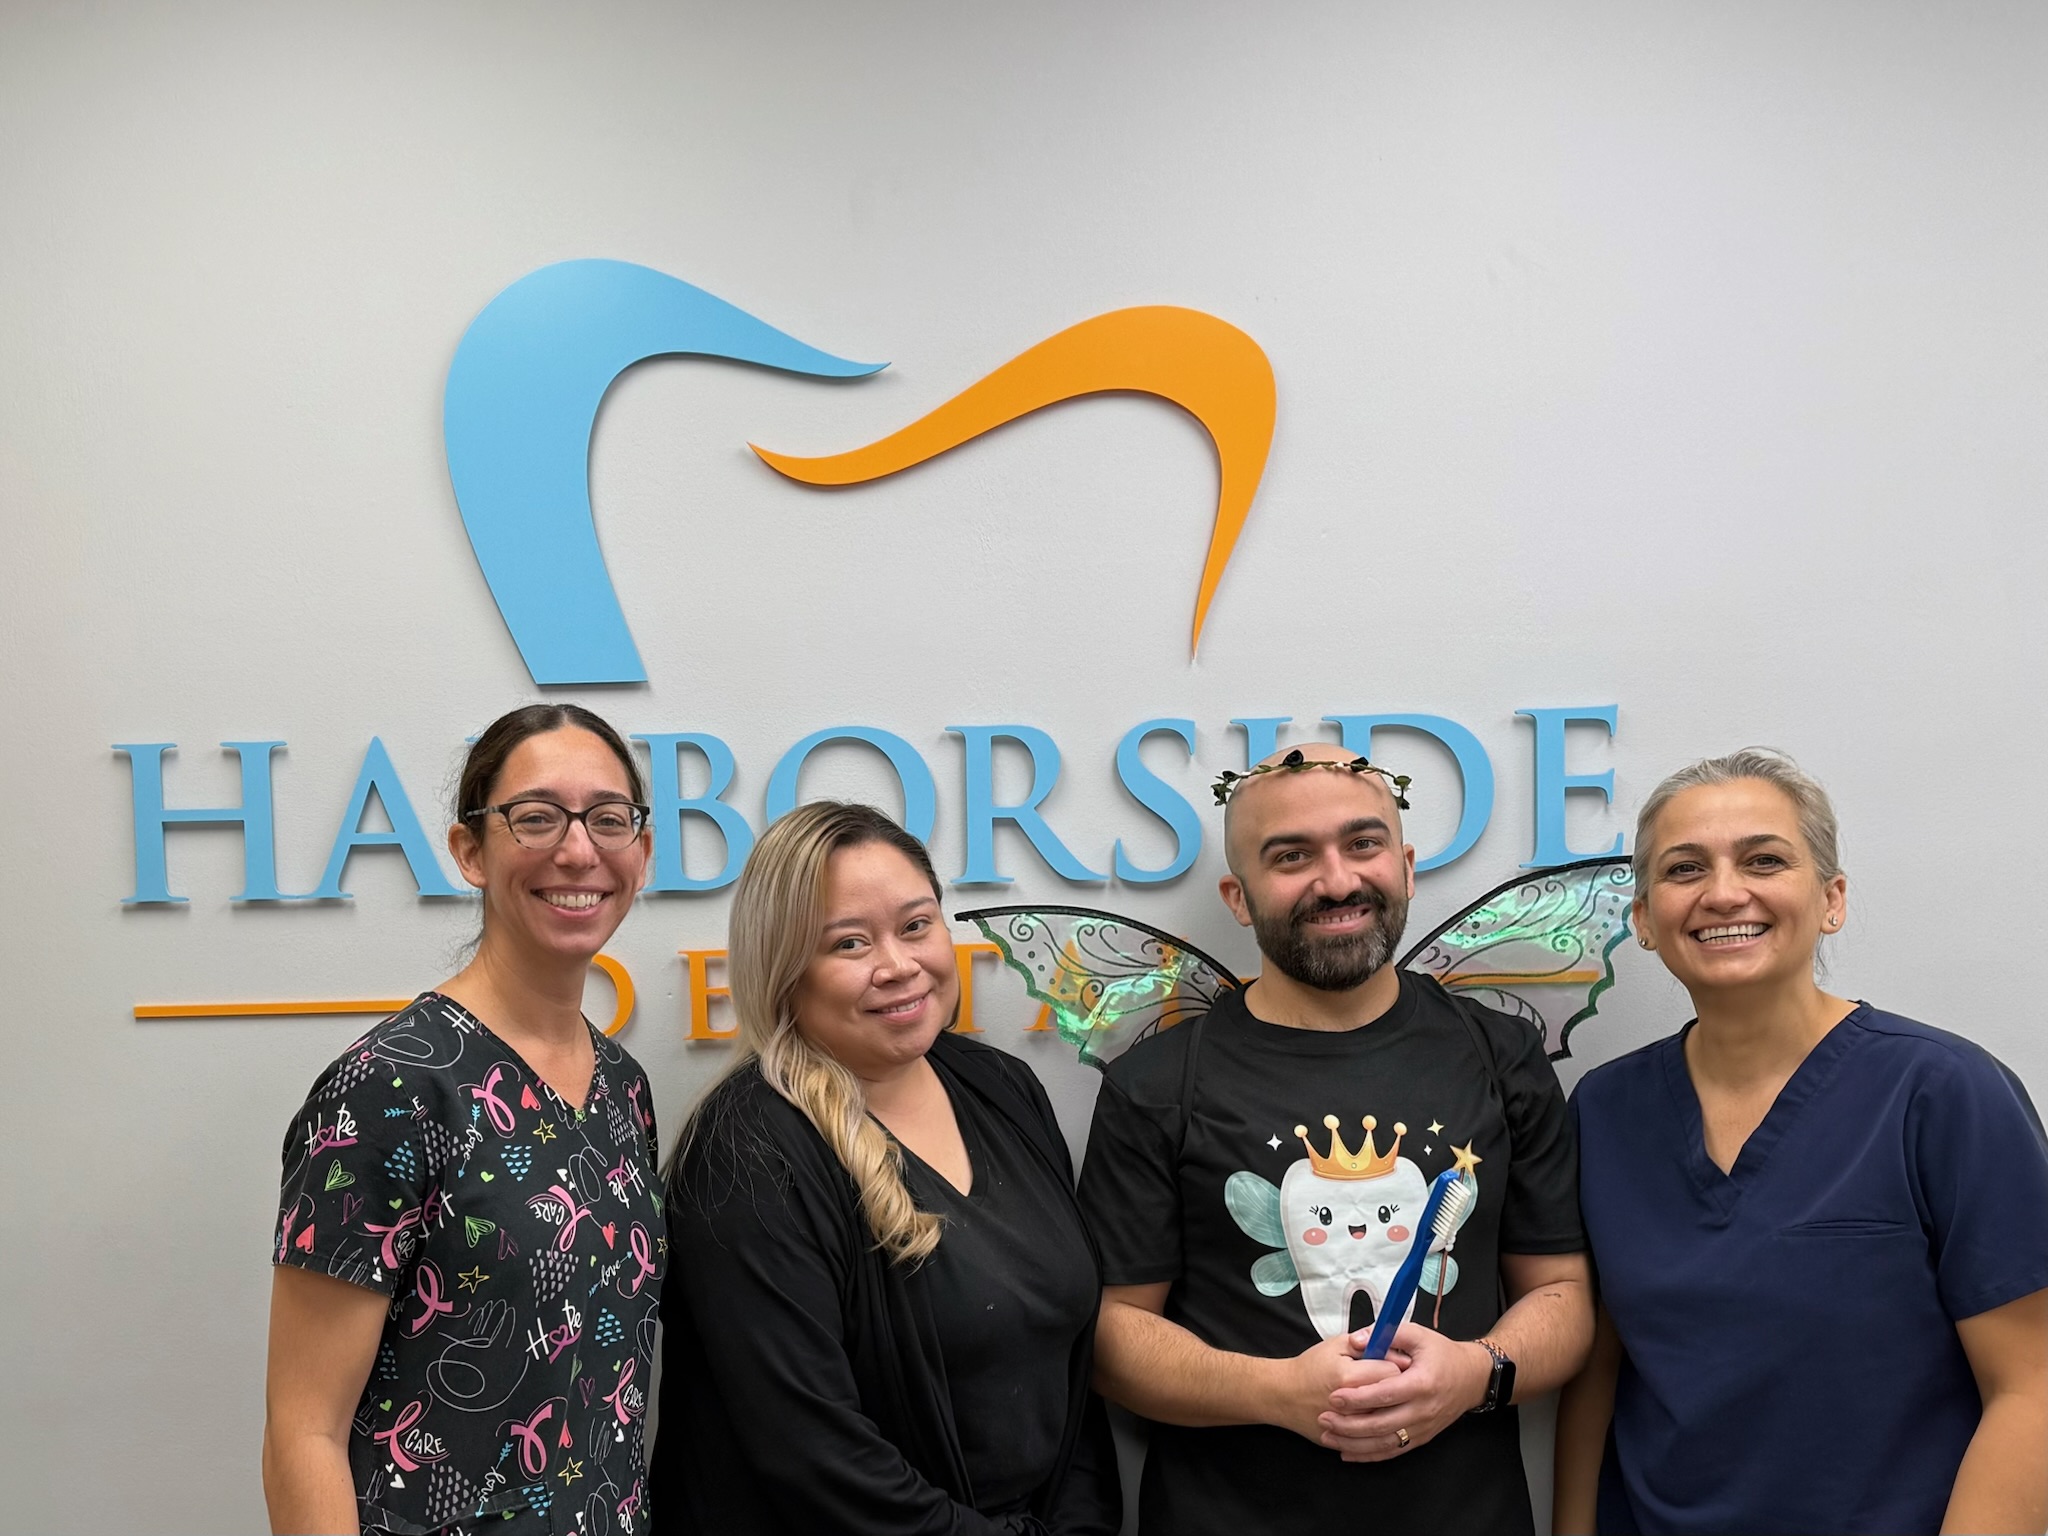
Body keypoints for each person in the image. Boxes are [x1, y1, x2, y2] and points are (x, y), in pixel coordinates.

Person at [1078, 742, 1594, 1536]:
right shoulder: (1155, 1085)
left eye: (1364, 844)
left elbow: (1562, 1294)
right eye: (1291, 856)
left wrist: (1470, 1375)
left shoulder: (1502, 1054)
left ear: (1408, 865)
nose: (1340, 880)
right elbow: (1111, 1337)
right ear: (1238, 896)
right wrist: (1276, 1392)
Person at [1555, 748, 2048, 1535]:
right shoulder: (1605, 1110)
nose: (1723, 893)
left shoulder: (1945, 1094)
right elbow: (1598, 1376)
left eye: (1764, 860)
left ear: (1831, 899)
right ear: (1644, 920)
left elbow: (2032, 1389)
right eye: (1684, 870)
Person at [649, 801, 1119, 1536]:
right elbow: (811, 1458)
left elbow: (1071, 1367)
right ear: (785, 968)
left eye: (916, 925)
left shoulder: (1002, 1089)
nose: (898, 966)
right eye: (849, 943)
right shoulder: (749, 1154)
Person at [262, 704, 665, 1536]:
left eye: (608, 818)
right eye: (537, 817)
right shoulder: (388, 1088)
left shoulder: (625, 1089)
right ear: (470, 852)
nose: (578, 849)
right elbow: (303, 1433)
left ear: (642, 851)